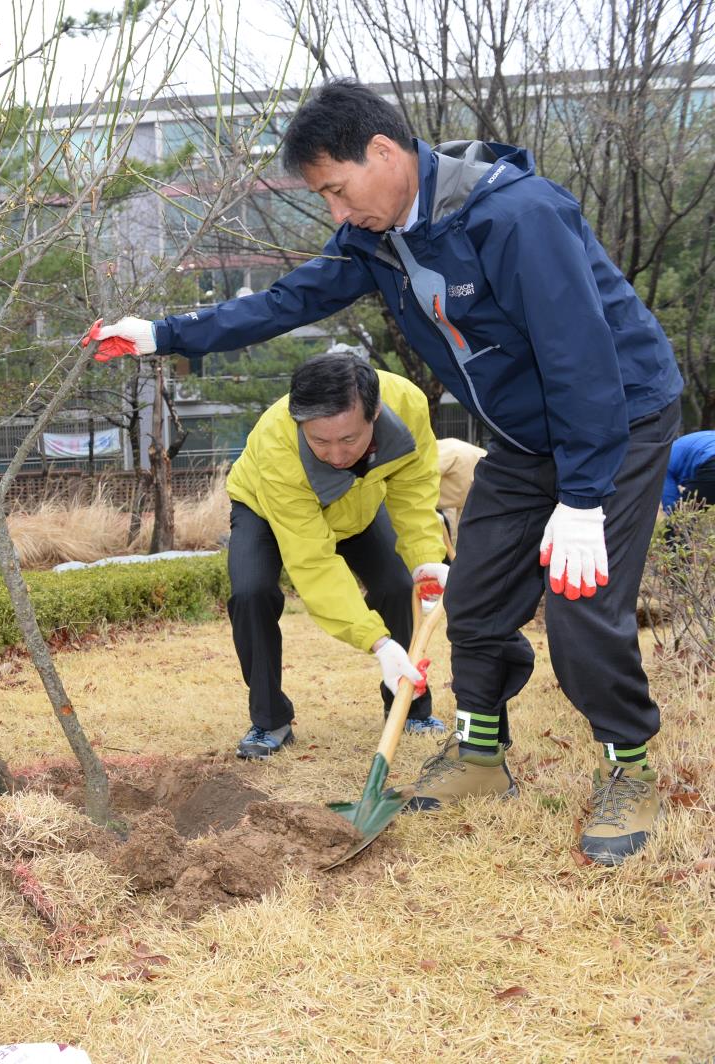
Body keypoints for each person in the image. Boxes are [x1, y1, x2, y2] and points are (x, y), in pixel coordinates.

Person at [84, 79, 683, 864]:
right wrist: (163, 333)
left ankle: (628, 769)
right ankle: (477, 754)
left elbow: (581, 359)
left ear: (385, 153)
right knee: (472, 601)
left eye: (337, 189)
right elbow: (288, 300)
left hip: (615, 419)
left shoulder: (516, 217)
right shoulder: (381, 237)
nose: (337, 212)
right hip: (530, 439)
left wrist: (581, 499)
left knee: (580, 604)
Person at [223, 354, 447, 759]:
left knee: (400, 585)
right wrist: (377, 643)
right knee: (251, 593)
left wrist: (426, 561)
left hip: (359, 505)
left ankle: (409, 708)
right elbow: (314, 563)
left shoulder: (408, 403)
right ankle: (270, 720)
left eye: (349, 439)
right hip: (268, 508)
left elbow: (414, 494)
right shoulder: (278, 448)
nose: (337, 456)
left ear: (375, 413)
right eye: (320, 442)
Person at [660, 430, 715, 513]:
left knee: (681, 517)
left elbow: (670, 502)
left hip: (711, 462)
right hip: (708, 457)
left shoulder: (663, 461)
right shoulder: (682, 445)